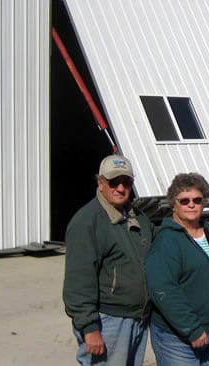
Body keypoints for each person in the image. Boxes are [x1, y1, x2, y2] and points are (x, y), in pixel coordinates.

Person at [63, 154, 155, 365]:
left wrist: (200, 230)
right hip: (108, 321)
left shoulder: (138, 218)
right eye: (114, 182)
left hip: (138, 318)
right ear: (101, 183)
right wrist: (89, 327)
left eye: (126, 182)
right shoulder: (87, 222)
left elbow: (162, 242)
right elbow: (78, 281)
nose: (120, 188)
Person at [146, 173, 209, 366]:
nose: (191, 204)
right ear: (174, 203)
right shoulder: (167, 241)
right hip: (180, 341)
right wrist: (192, 329)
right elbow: (164, 290)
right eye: (184, 200)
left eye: (197, 199)